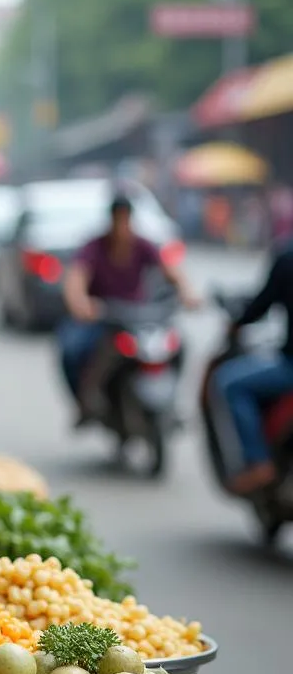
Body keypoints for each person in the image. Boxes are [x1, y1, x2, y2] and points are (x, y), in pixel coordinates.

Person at [60, 196, 198, 421]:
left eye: (126, 220)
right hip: (105, 317)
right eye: (118, 220)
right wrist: (81, 303)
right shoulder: (95, 248)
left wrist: (187, 292)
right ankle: (86, 402)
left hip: (138, 317)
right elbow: (76, 278)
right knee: (72, 350)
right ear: (111, 220)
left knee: (179, 345)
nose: (122, 227)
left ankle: (171, 402)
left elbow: (170, 271)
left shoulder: (142, 245)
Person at [213, 243, 293, 493]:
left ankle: (258, 462)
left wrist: (237, 324)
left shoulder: (287, 260)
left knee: (229, 382)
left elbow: (261, 304)